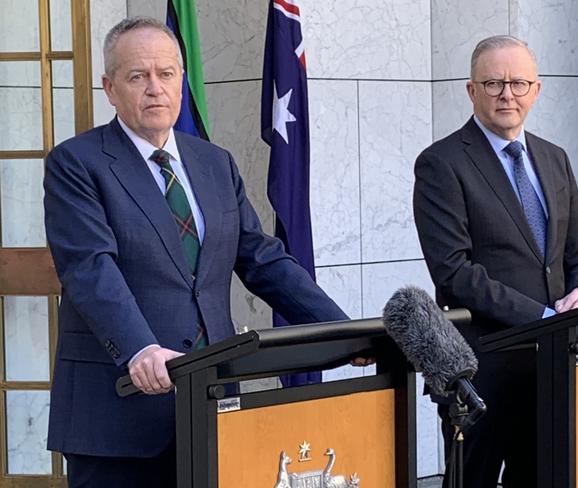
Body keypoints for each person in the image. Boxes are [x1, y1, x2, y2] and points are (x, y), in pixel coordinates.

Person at [44, 17, 354, 487]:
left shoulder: (214, 162)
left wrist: (343, 330)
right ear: (109, 87)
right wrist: (140, 348)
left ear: (182, 80)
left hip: (212, 404)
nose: (155, 88)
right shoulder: (76, 163)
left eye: (166, 74)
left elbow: (262, 258)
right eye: (137, 76)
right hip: (119, 410)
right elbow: (90, 268)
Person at [413, 35, 578, 487]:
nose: (507, 94)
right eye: (494, 82)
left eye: (518, 83)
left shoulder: (554, 158)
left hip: (553, 368)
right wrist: (542, 319)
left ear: (536, 90)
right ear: (471, 90)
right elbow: (454, 271)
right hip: (479, 371)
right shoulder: (441, 163)